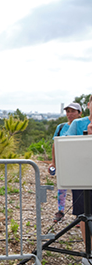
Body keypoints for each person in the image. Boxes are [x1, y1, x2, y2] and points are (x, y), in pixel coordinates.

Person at [65, 95, 92, 265]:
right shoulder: (77, 124)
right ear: (89, 105)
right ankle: (88, 251)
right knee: (84, 214)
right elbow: (67, 148)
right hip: (82, 176)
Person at [48, 102, 82, 223]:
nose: (70, 114)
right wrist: (53, 162)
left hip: (79, 162)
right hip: (64, 161)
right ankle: (61, 211)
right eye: (68, 111)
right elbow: (55, 144)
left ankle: (79, 215)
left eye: (73, 111)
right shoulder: (61, 127)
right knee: (61, 188)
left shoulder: (82, 125)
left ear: (79, 113)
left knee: (79, 188)